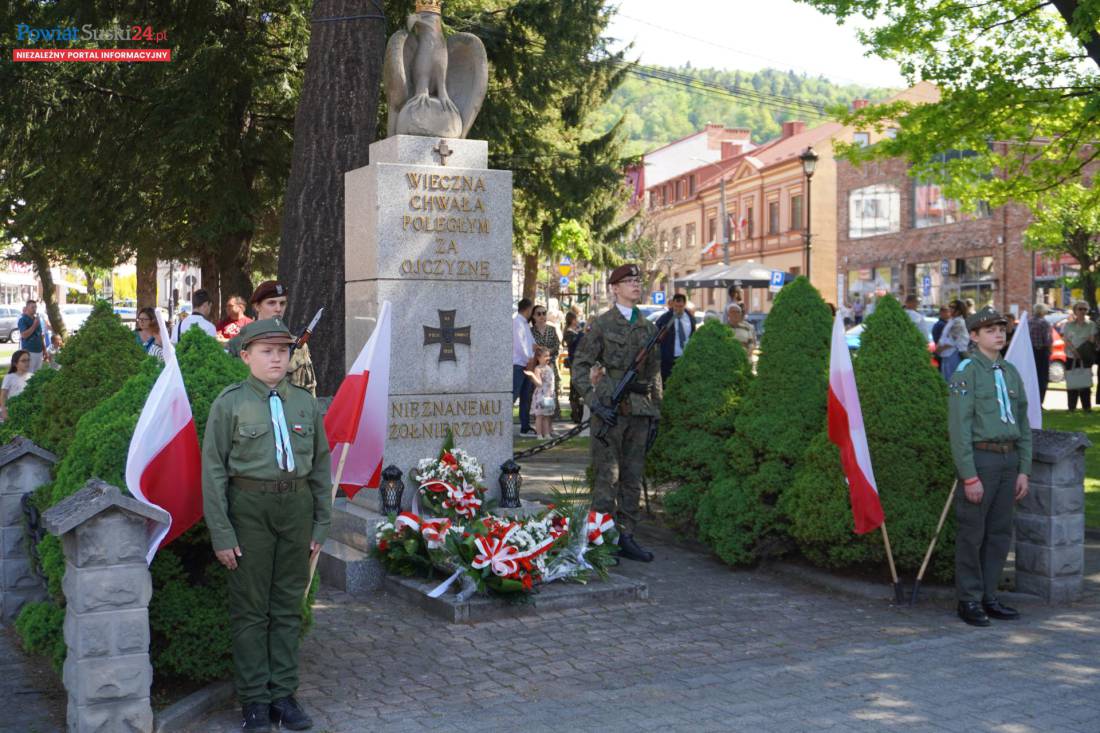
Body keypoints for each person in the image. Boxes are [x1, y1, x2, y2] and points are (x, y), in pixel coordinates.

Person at [202, 318, 332, 733]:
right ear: (245, 356)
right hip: (249, 509)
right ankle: (255, 700)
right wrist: (222, 533)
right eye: (266, 351)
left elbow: (321, 468)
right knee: (251, 610)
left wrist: (320, 524)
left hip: (296, 509)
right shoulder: (230, 403)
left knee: (288, 607)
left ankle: (284, 696)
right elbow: (213, 471)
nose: (277, 358)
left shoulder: (305, 404)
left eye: (283, 351)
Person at [572, 263, 662, 563]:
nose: (636, 284)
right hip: (609, 407)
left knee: (632, 476)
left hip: (639, 409)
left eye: (638, 280)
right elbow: (580, 365)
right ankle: (600, 540)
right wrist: (592, 401)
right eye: (629, 281)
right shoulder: (602, 324)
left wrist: (656, 412)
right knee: (606, 477)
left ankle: (626, 535)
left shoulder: (648, 328)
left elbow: (655, 374)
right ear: (615, 288)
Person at [948, 306, 1031, 627]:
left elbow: (1023, 423)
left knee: (999, 532)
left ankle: (988, 595)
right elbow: (959, 428)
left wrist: (1024, 469)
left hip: (1009, 460)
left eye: (1001, 329)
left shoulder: (1009, 372)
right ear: (973, 336)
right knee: (973, 533)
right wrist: (969, 476)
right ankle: (968, 599)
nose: (999, 335)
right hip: (981, 460)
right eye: (990, 330)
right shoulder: (966, 372)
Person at [228, 281, 317, 396]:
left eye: (282, 303)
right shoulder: (238, 343)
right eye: (271, 303)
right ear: (257, 306)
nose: (278, 309)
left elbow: (308, 389)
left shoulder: (298, 345)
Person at [1062, 301, 1097, 412]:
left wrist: (1081, 352)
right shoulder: (1068, 325)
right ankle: (1071, 407)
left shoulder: (1091, 324)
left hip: (1085, 357)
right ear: (1075, 311)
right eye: (1080, 309)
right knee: (1072, 382)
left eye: (1085, 309)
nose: (1082, 311)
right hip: (1071, 357)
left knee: (1085, 383)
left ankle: (1086, 407)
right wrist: (1074, 351)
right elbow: (1066, 340)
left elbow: (1091, 339)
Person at [529, 304, 561, 418]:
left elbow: (557, 345)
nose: (542, 316)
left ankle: (552, 417)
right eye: (539, 314)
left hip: (549, 365)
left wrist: (547, 352)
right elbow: (529, 348)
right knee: (537, 390)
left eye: (544, 313)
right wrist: (539, 352)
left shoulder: (552, 329)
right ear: (534, 316)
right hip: (536, 366)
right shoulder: (530, 331)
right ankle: (537, 417)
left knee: (551, 390)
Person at [655, 293, 694, 384]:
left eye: (681, 306)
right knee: (668, 383)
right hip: (668, 360)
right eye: (676, 306)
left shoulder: (690, 318)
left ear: (684, 305)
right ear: (672, 304)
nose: (678, 309)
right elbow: (657, 337)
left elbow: (693, 335)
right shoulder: (665, 319)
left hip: (685, 358)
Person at [512, 298, 536, 436]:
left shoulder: (525, 323)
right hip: (519, 364)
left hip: (527, 363)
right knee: (514, 395)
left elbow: (531, 342)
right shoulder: (517, 322)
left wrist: (535, 350)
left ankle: (525, 426)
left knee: (525, 397)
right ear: (528, 309)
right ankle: (504, 422)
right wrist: (529, 358)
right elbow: (520, 344)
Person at [526, 345, 556, 438]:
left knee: (547, 416)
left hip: (549, 396)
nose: (548, 358)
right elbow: (538, 383)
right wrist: (532, 375)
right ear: (539, 358)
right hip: (541, 396)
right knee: (539, 416)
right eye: (545, 356)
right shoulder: (538, 369)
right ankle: (539, 434)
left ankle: (547, 433)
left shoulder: (550, 367)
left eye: (548, 355)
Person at [937, 299, 970, 379]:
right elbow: (944, 337)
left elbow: (952, 340)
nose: (950, 309)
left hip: (954, 354)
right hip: (947, 354)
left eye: (953, 307)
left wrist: (940, 349)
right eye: (950, 306)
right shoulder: (952, 320)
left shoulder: (958, 322)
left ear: (959, 310)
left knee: (952, 380)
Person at [563, 312, 585, 424]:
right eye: (576, 319)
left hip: (579, 362)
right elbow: (574, 343)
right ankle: (575, 414)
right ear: (572, 320)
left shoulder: (576, 331)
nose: (577, 321)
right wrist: (581, 333)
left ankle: (579, 413)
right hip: (574, 362)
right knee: (574, 387)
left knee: (579, 388)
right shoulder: (569, 332)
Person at [1030, 304, 1053, 405]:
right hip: (1042, 352)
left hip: (1031, 353)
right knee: (1043, 378)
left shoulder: (1028, 322)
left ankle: (1032, 401)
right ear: (1043, 311)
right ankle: (1039, 402)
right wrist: (1050, 350)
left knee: (1032, 378)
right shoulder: (1044, 323)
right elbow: (1048, 340)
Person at [0, 351, 32, 421]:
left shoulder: (32, 376)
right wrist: (4, 411)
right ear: (15, 364)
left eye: (28, 360)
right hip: (12, 410)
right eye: (23, 361)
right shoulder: (9, 377)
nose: (27, 363)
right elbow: (3, 396)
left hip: (28, 411)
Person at [17, 299, 46, 372]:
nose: (34, 309)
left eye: (35, 307)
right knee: (29, 375)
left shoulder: (36, 319)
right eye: (32, 307)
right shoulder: (23, 320)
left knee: (38, 374)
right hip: (29, 352)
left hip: (39, 351)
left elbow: (40, 335)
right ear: (27, 308)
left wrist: (44, 349)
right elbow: (24, 335)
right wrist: (34, 325)